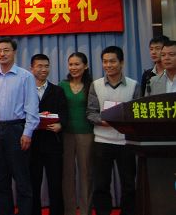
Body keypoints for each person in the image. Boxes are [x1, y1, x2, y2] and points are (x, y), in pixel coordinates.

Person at [0, 37, 38, 215]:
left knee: (22, 179)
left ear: (14, 52)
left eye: (6, 50)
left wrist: (28, 133)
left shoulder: (25, 77)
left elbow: (32, 108)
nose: (2, 54)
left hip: (17, 130)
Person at [87, 46, 140, 215]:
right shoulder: (96, 85)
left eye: (112, 61)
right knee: (101, 185)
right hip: (102, 142)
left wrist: (124, 121)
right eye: (105, 61)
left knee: (129, 185)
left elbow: (138, 113)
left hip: (126, 142)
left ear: (121, 63)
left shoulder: (134, 85)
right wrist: (103, 121)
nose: (108, 65)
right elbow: (91, 113)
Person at [29, 54, 67, 215]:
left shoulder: (57, 90)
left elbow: (65, 113)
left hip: (53, 143)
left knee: (55, 184)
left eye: (46, 66)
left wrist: (60, 124)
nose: (43, 69)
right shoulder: (25, 90)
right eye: (39, 66)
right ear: (32, 68)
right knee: (32, 184)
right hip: (31, 143)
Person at [59, 52, 94, 215]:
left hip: (86, 134)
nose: (73, 67)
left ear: (85, 66)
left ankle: (86, 210)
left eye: (77, 64)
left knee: (86, 174)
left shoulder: (92, 85)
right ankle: (70, 211)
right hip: (65, 134)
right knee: (67, 175)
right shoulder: (62, 85)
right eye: (71, 64)